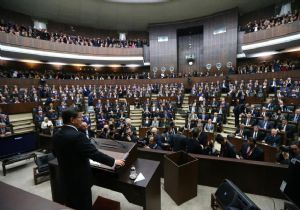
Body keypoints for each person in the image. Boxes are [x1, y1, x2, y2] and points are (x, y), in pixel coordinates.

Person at [52, 109, 125, 210]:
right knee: (83, 205)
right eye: (80, 117)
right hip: (80, 181)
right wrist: (113, 161)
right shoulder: (78, 136)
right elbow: (94, 153)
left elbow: (55, 152)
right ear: (72, 120)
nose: (82, 119)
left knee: (71, 204)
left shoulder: (56, 134)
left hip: (65, 178)